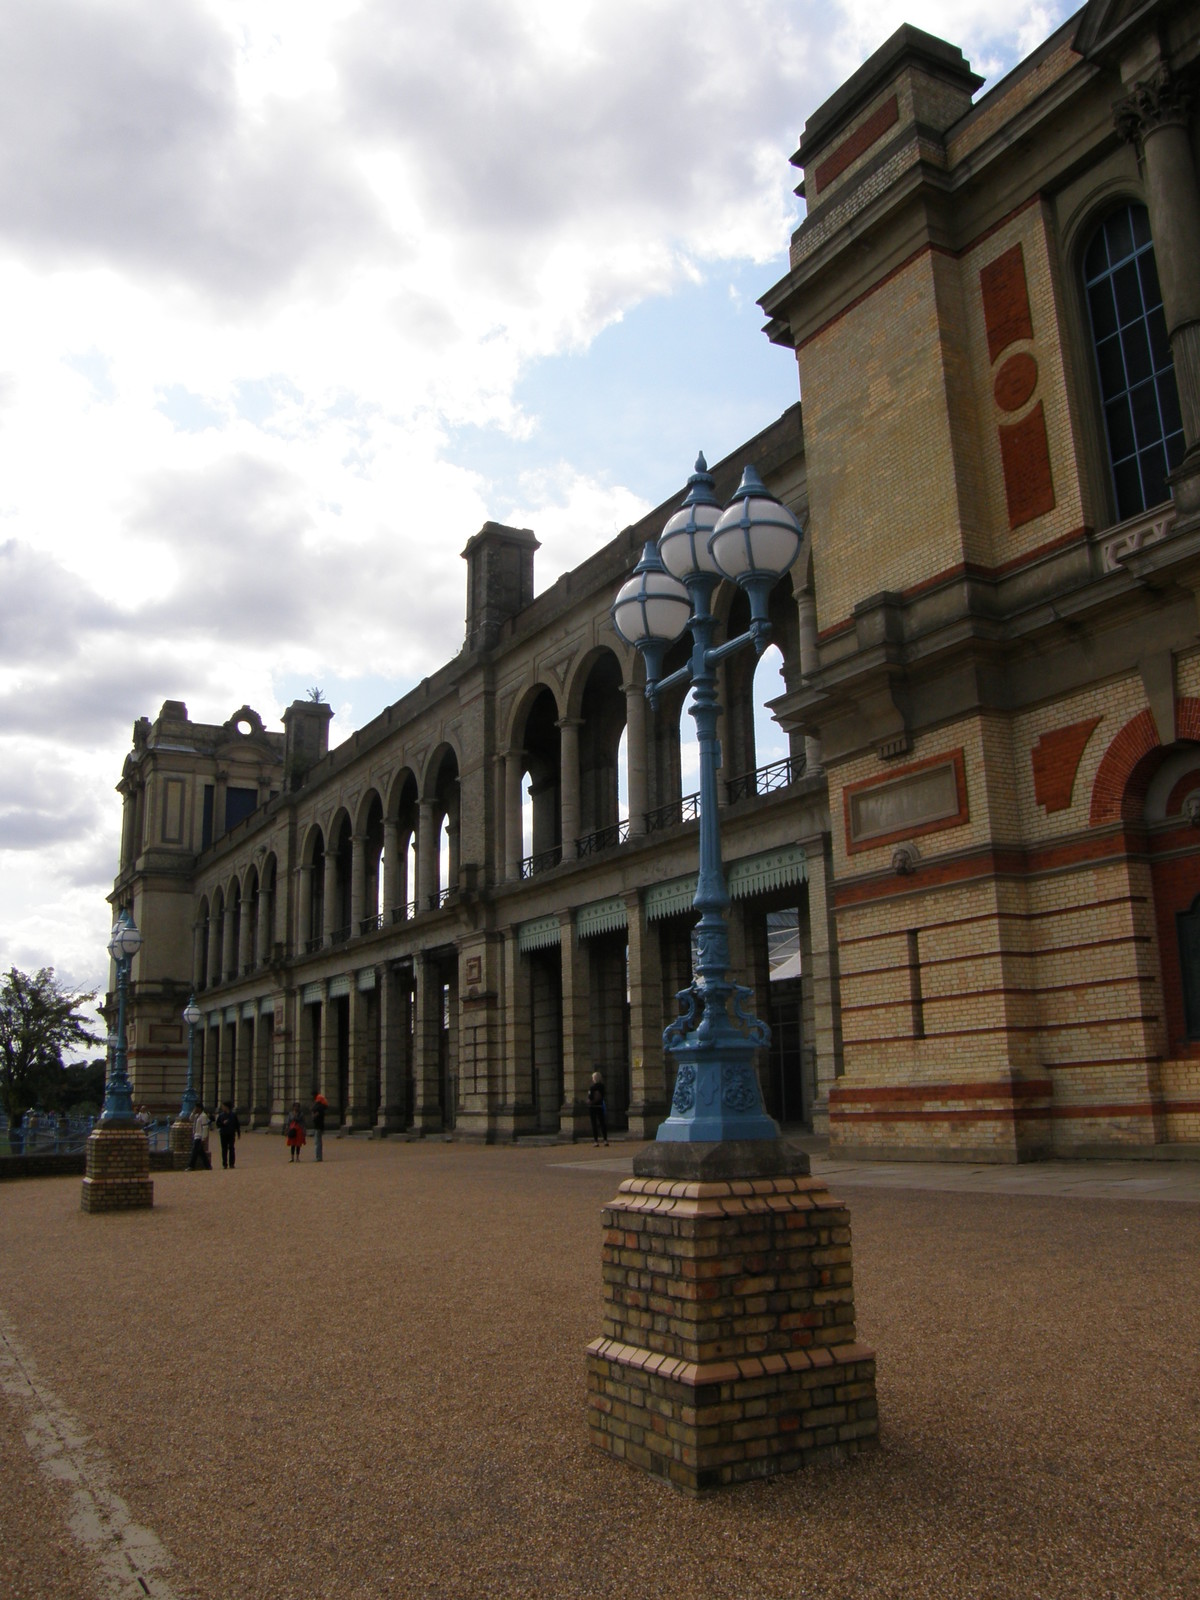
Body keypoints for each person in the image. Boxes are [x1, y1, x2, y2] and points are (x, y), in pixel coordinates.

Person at [216, 1101, 241, 1169]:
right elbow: (217, 1124)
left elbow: (237, 1124)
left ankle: (231, 1163)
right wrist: (223, 1123)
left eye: (223, 1106)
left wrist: (238, 1133)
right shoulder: (221, 1115)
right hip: (223, 1133)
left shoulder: (233, 1115)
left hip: (231, 1133)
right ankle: (225, 1164)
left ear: (226, 1107)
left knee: (231, 1148)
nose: (222, 1108)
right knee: (224, 1149)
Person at [587, 1071, 609, 1147]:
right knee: (602, 1123)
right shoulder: (602, 1087)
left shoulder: (592, 1087)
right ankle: (605, 1140)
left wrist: (589, 1100)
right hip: (600, 1106)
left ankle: (596, 1141)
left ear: (594, 1078)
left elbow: (590, 1097)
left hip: (593, 1107)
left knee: (594, 1124)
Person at [188, 1103, 211, 1170]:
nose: (195, 1109)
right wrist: (193, 1113)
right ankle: (207, 1165)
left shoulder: (203, 1116)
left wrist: (204, 1138)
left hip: (199, 1136)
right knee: (201, 1153)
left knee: (194, 1151)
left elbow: (205, 1127)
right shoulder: (196, 1116)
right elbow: (190, 1119)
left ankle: (191, 1166)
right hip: (196, 1135)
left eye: (196, 1108)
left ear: (199, 1108)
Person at [312, 1092, 327, 1162]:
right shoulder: (322, 1108)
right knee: (319, 1142)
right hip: (320, 1126)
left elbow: (315, 1115)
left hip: (317, 1126)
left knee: (317, 1142)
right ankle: (319, 1157)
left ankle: (318, 1157)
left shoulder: (318, 1107)